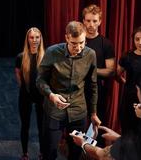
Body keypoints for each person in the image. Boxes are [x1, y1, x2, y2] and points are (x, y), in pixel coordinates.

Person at [36, 21, 101, 160]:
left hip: (78, 111)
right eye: (74, 43)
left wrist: (93, 113)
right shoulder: (52, 52)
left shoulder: (91, 54)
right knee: (49, 153)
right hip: (54, 110)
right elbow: (40, 80)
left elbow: (92, 85)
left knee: (76, 154)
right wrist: (51, 95)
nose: (78, 47)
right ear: (67, 38)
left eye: (82, 43)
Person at [82, 4, 115, 126]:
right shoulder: (77, 41)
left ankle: (96, 145)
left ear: (100, 22)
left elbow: (111, 71)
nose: (91, 24)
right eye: (88, 20)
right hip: (77, 90)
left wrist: (91, 70)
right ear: (83, 21)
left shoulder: (106, 44)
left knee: (96, 126)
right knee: (77, 126)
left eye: (94, 21)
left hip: (97, 90)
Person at [15, 27, 45, 160]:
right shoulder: (21, 57)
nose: (34, 40)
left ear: (40, 39)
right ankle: (25, 153)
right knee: (25, 125)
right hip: (25, 95)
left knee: (41, 126)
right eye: (31, 37)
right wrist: (24, 87)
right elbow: (18, 75)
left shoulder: (45, 57)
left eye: (37, 37)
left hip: (41, 96)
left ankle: (42, 152)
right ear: (27, 39)